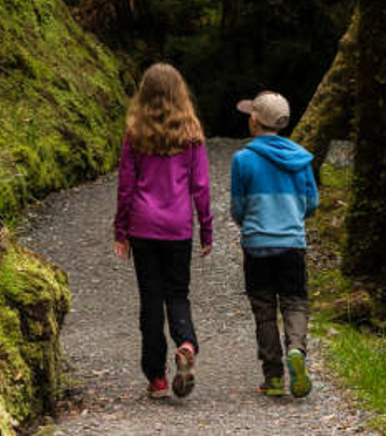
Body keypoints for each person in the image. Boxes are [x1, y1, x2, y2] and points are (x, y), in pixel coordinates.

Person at [113, 63, 213, 399]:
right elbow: (200, 186)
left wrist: (121, 230)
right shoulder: (191, 134)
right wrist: (207, 229)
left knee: (151, 300)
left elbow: (126, 186)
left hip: (143, 226)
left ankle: (156, 377)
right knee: (178, 294)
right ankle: (186, 343)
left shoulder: (135, 133)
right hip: (178, 228)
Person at [230, 91, 318, 398]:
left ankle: (273, 377)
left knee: (264, 309)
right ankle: (296, 349)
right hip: (292, 243)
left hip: (257, 245)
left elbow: (238, 207)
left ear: (254, 122)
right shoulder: (301, 158)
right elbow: (311, 203)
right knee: (294, 301)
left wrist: (249, 223)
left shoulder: (243, 160)